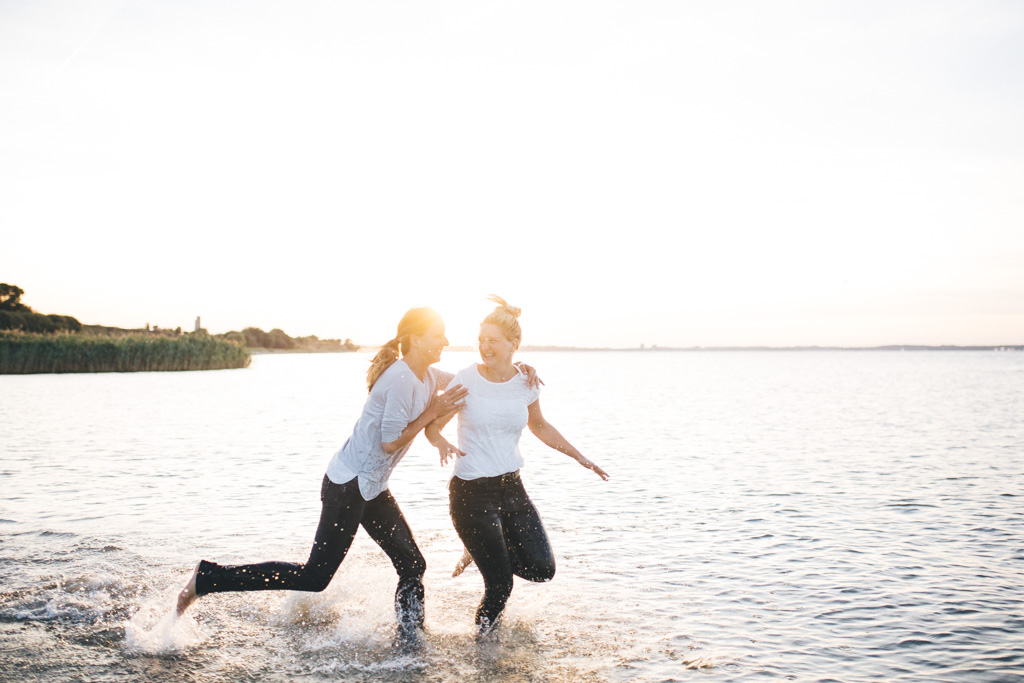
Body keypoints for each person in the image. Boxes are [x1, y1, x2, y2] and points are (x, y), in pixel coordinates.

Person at [174, 306, 468, 642]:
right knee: (315, 576)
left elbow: (466, 381)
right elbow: (389, 443)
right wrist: (432, 411)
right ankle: (208, 578)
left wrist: (515, 370)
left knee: (412, 563)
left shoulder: (426, 375)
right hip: (348, 486)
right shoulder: (400, 378)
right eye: (438, 334)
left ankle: (410, 642)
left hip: (371, 488)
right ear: (415, 339)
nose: (445, 340)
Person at [425, 296, 609, 635]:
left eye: (493, 340)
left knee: (542, 569)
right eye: (481, 340)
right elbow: (433, 424)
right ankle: (484, 654)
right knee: (500, 586)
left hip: (512, 488)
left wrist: (580, 456)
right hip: (471, 493)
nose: (485, 347)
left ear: (514, 344)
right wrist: (440, 441)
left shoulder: (526, 382)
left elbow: (539, 425)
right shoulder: (465, 379)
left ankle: (479, 546)